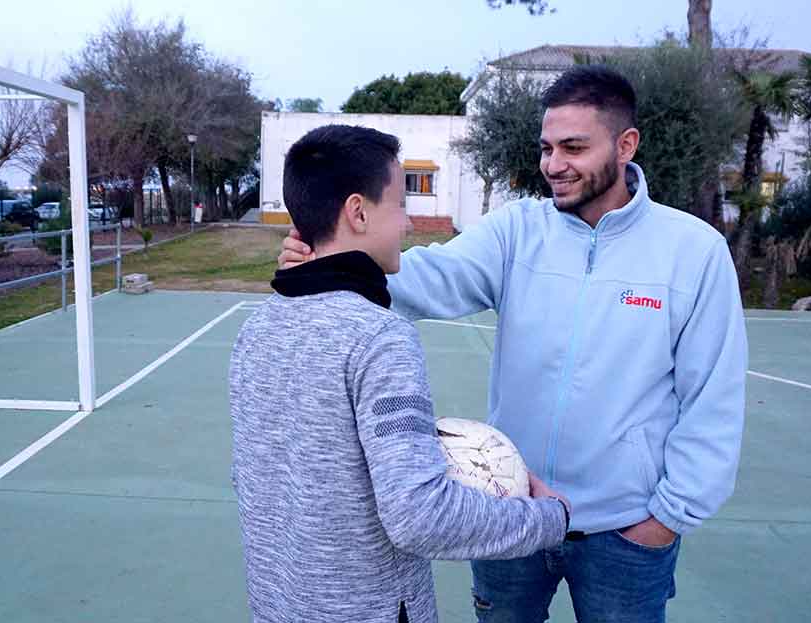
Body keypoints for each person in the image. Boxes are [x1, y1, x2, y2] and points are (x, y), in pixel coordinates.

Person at [278, 66, 748, 623]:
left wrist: (664, 520)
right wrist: (334, 264)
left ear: (626, 146)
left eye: (574, 147)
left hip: (625, 533)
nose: (553, 165)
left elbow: (712, 402)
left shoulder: (692, 251)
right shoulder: (516, 231)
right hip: (512, 512)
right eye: (547, 147)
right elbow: (432, 277)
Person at [230, 124, 572, 623]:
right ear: (359, 212)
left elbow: (252, 478)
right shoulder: (379, 337)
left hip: (277, 605)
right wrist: (547, 519)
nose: (408, 224)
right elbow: (419, 516)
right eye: (399, 205)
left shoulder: (257, 328)